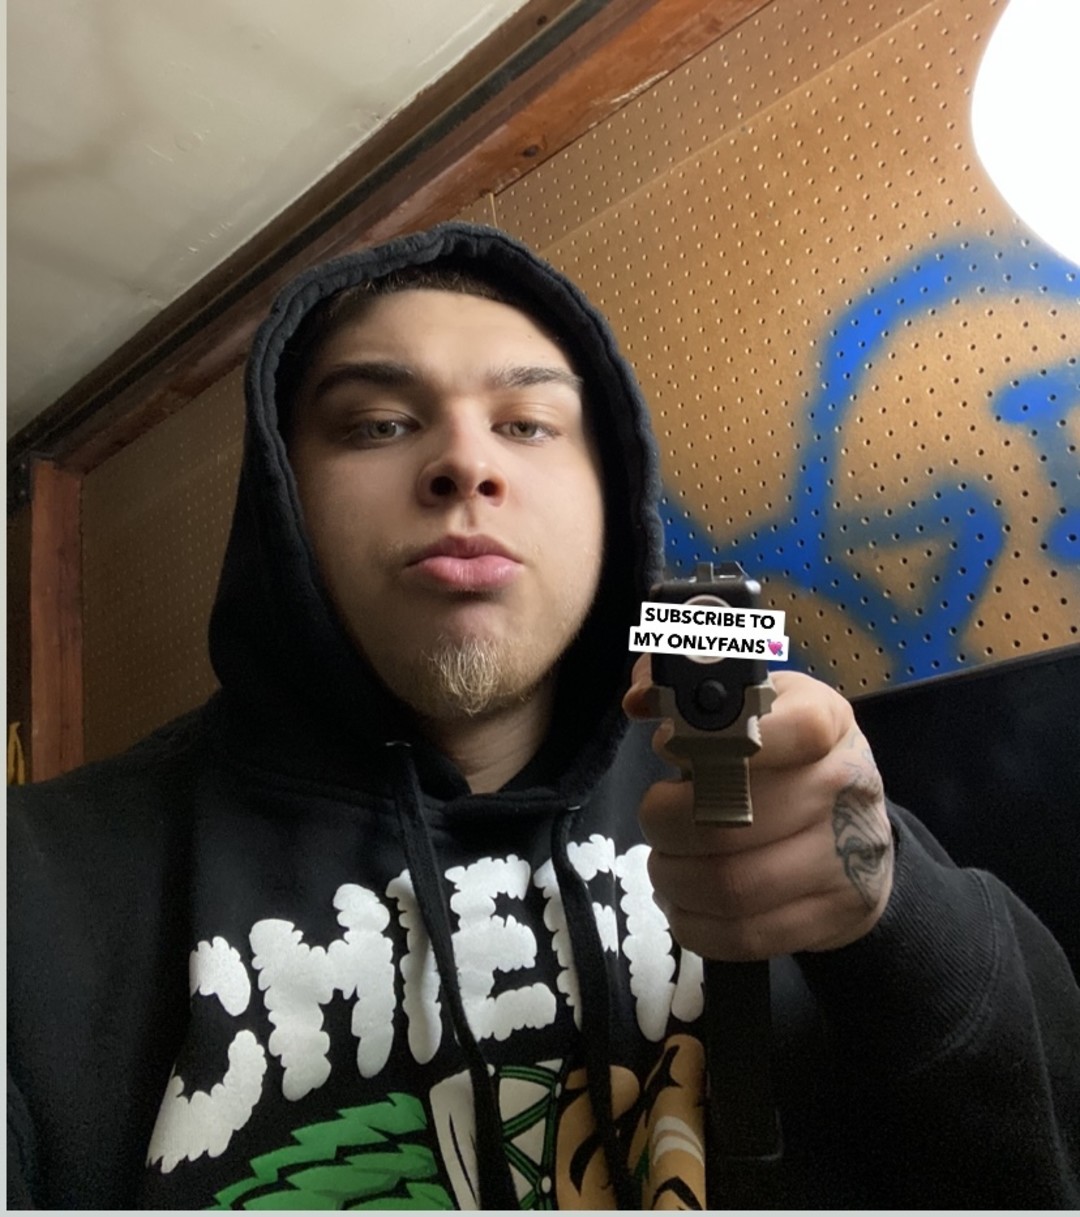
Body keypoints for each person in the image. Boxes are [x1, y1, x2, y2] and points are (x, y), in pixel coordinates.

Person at [7, 223, 1078, 1211]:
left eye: (527, 423)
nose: (465, 464)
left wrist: (890, 910)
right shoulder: (43, 885)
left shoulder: (773, 796)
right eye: (377, 423)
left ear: (614, 495)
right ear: (284, 494)